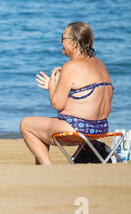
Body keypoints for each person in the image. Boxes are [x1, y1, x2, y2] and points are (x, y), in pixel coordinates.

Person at [19, 22, 114, 165]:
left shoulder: (70, 66)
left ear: (74, 43)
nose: (61, 42)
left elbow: (57, 105)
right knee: (40, 126)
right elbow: (85, 100)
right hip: (100, 127)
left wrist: (52, 87)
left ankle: (47, 168)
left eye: (63, 38)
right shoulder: (99, 63)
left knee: (26, 124)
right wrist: (56, 87)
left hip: (77, 129)